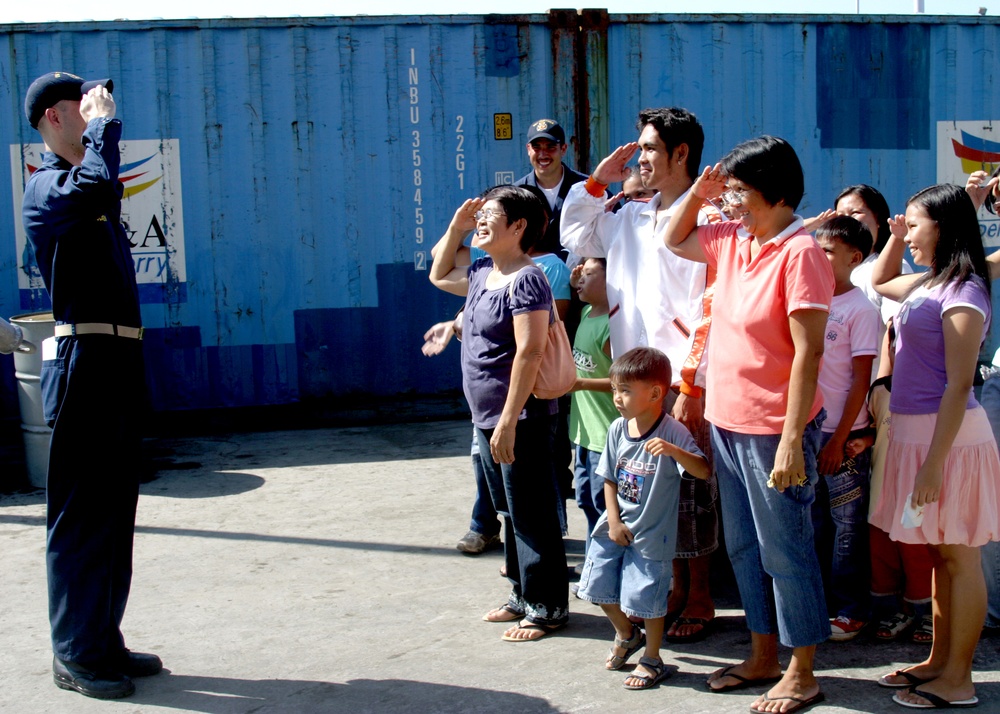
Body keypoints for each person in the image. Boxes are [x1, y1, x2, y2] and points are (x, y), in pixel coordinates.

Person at [665, 136, 834, 714]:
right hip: (726, 422)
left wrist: (791, 441)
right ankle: (763, 654)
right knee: (743, 546)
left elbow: (809, 355)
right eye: (729, 188)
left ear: (773, 191)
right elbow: (673, 237)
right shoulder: (734, 239)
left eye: (738, 189)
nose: (730, 199)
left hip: (773, 430)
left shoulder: (801, 253)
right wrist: (699, 192)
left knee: (786, 548)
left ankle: (802, 669)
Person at [21, 72, 161, 699]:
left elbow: (103, 186)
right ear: (55, 117)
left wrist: (101, 135)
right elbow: (97, 179)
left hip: (117, 358)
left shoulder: (89, 193)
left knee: (113, 512)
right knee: (80, 517)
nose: (99, 111)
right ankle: (74, 654)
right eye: (84, 105)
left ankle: (102, 639)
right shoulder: (44, 188)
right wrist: (103, 128)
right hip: (82, 358)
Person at [561, 107, 722, 643]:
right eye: (640, 146)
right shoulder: (629, 214)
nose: (642, 156)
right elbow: (577, 235)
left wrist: (692, 384)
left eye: (651, 147)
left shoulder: (712, 218)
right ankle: (671, 591)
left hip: (685, 380)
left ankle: (699, 595)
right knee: (652, 495)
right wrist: (596, 180)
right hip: (638, 380)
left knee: (693, 495)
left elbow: (713, 303)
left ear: (681, 154)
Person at [870, 183, 1000, 709]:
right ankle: (939, 661)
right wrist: (895, 237)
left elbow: (959, 385)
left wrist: (933, 465)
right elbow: (879, 281)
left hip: (949, 443)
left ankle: (959, 680)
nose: (908, 232)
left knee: (960, 558)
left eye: (916, 223)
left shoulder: (964, 291)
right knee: (942, 556)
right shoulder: (928, 282)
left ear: (943, 227)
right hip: (918, 433)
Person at [429, 186, 569, 641]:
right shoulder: (484, 271)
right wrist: (457, 226)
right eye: (480, 214)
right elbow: (437, 272)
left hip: (521, 417)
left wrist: (509, 420)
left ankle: (547, 607)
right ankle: (521, 593)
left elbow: (529, 353)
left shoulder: (528, 279)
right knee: (511, 511)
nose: (482, 221)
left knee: (532, 512)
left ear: (518, 227)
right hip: (486, 416)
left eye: (491, 215)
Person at [577, 347, 709, 690]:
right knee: (597, 586)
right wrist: (614, 520)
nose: (618, 398)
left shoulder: (672, 431)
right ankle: (625, 633)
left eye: (625, 391)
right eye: (615, 390)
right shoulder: (617, 429)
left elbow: (702, 470)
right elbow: (607, 477)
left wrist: (674, 451)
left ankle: (652, 657)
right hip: (614, 528)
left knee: (648, 600)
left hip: (653, 535)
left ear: (655, 394)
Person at [811, 217, 880, 641]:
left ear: (854, 259)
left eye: (828, 252)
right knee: (814, 521)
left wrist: (840, 438)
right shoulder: (810, 300)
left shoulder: (861, 309)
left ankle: (852, 609)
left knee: (847, 525)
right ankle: (819, 603)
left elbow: (861, 379)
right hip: (808, 431)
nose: (818, 259)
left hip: (844, 438)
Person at [568, 258, 617, 561]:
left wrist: (579, 385)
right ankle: (592, 569)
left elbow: (621, 380)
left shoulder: (612, 325)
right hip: (583, 434)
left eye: (588, 274)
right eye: (580, 275)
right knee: (586, 502)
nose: (580, 280)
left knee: (604, 508)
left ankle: (606, 575)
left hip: (605, 436)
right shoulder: (587, 312)